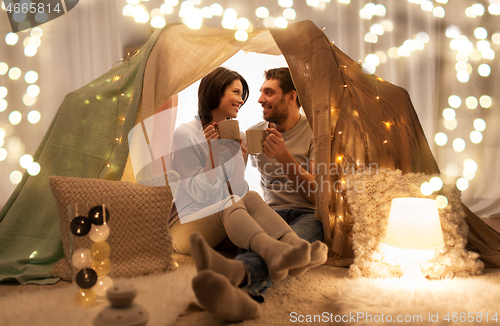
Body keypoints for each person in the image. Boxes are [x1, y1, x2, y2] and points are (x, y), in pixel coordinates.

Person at [169, 67, 326, 321]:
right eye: (237, 92)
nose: (248, 100)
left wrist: (240, 160)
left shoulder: (310, 133)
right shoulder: (187, 134)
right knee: (242, 203)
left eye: (267, 92)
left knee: (248, 198)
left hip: (296, 212)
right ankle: (283, 249)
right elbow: (205, 195)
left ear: (291, 96)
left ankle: (243, 282)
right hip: (190, 219)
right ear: (216, 92)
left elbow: (239, 192)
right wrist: (214, 154)